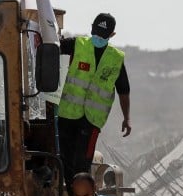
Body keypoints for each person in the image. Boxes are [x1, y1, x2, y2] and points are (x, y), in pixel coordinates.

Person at [56, 13, 131, 181]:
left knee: (82, 164)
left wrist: (127, 118)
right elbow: (52, 47)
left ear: (111, 35)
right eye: (96, 33)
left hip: (91, 121)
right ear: (91, 29)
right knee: (64, 159)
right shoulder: (77, 44)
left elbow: (123, 89)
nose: (98, 37)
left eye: (103, 35)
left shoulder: (116, 58)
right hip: (67, 115)